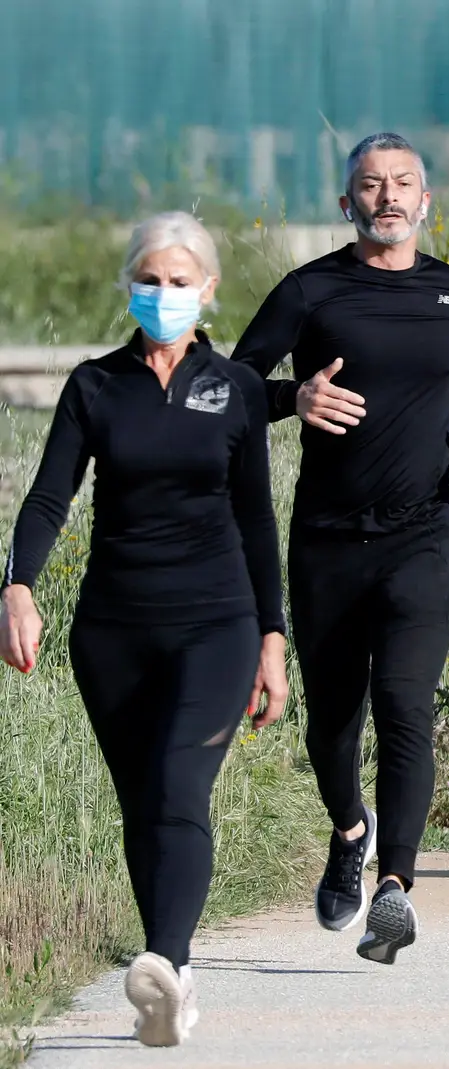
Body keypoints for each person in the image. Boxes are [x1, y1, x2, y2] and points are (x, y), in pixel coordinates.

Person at [2, 212, 289, 1045]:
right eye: (150, 280)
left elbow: (257, 521)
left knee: (178, 784)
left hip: (218, 621)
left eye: (179, 281)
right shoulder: (94, 387)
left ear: (208, 291)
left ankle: (164, 959)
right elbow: (49, 498)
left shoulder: (232, 388)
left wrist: (272, 637)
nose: (163, 295)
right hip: (113, 630)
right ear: (130, 285)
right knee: (142, 805)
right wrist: (17, 587)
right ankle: (175, 983)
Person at [233, 133, 449, 964]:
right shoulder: (310, 289)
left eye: (402, 184)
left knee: (405, 703)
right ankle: (350, 829)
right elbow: (231, 381)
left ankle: (395, 886)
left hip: (421, 535)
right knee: (332, 723)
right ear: (346, 202)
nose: (387, 196)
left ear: (426, 201)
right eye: (371, 185)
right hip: (326, 539)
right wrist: (296, 394)